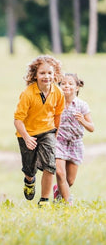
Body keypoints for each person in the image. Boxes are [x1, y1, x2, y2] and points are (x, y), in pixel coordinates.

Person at [14, 55, 65, 207]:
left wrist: (54, 136)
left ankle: (44, 200)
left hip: (47, 131)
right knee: (29, 169)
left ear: (55, 74)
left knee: (50, 166)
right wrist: (27, 137)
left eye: (50, 73)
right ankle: (29, 181)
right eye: (42, 73)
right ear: (35, 75)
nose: (46, 76)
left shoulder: (58, 92)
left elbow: (57, 115)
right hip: (27, 133)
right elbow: (17, 120)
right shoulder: (28, 94)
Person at [53, 73, 94, 204]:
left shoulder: (82, 105)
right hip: (58, 141)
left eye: (70, 83)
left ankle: (58, 193)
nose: (66, 86)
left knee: (69, 181)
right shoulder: (55, 103)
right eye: (63, 83)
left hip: (75, 144)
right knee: (60, 173)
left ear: (77, 87)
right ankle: (68, 204)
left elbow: (91, 128)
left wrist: (82, 120)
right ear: (60, 86)